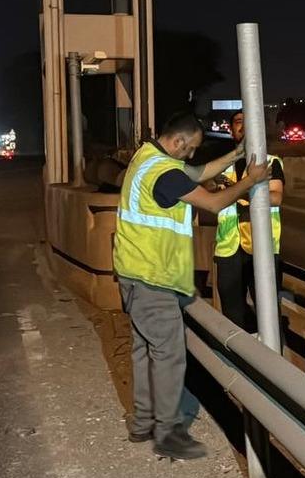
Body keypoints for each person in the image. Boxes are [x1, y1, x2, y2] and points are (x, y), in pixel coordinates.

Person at [113, 112, 268, 460]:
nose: (192, 156)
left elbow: (196, 174)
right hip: (153, 278)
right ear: (179, 142)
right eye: (192, 149)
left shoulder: (148, 156)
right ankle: (168, 432)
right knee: (169, 354)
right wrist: (250, 180)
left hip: (134, 273)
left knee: (144, 351)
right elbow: (212, 202)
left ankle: (142, 423)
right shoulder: (164, 174)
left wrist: (235, 155)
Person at [212, 111, 286, 333]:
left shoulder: (270, 163)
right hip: (228, 248)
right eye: (238, 122)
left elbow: (275, 198)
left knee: (268, 314)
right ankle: (238, 362)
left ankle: (271, 361)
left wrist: (236, 192)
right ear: (231, 129)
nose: (243, 126)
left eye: (248, 121)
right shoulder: (221, 167)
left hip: (261, 246)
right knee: (232, 313)